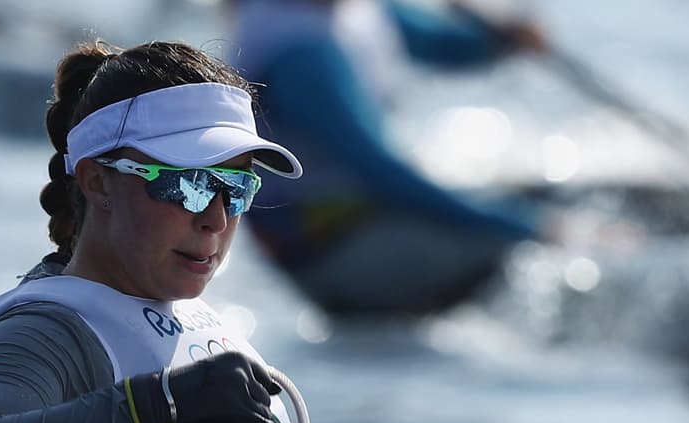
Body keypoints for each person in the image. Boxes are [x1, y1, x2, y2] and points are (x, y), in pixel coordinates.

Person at [0, 39, 454, 423]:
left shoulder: (193, 324)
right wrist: (151, 405)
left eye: (236, 187)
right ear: (98, 181)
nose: (216, 219)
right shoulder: (46, 333)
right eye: (189, 185)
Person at [226, 0, 552, 316]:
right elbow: (380, 173)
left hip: (372, 215)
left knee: (542, 200)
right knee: (526, 248)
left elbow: (437, 43)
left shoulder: (354, 9)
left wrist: (503, 40)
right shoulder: (296, 52)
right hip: (334, 253)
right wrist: (528, 229)